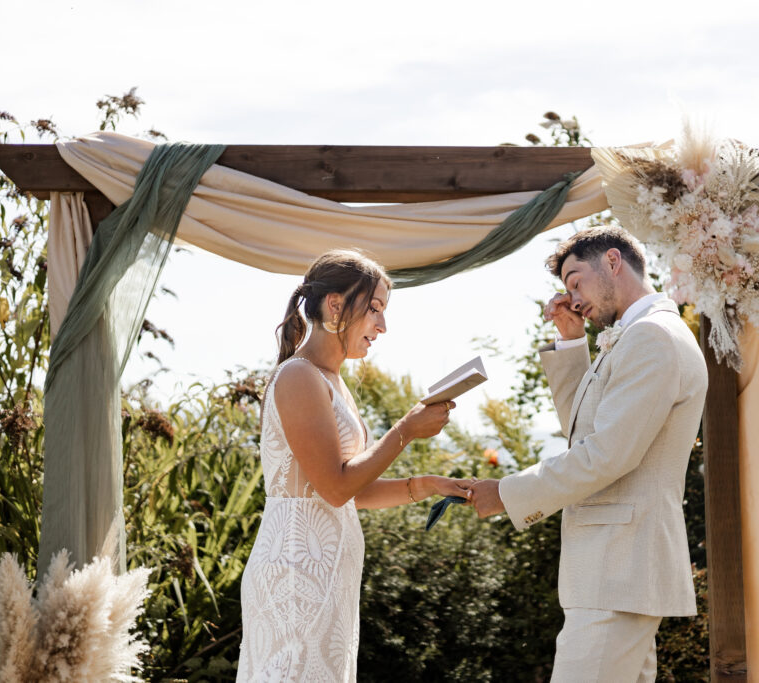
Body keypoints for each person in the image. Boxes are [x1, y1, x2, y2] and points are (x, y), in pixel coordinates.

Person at [467, 227, 708, 682]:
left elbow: (606, 455)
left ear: (613, 262)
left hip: (617, 571)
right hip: (617, 573)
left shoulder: (650, 336)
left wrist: (506, 493)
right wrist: (572, 341)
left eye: (576, 281)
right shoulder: (637, 334)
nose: (572, 298)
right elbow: (586, 432)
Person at [237, 249, 469, 682]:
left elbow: (351, 492)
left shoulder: (332, 382)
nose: (382, 326)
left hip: (327, 575)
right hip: (296, 572)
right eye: (375, 309)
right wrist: (406, 429)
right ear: (336, 306)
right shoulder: (298, 376)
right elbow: (335, 488)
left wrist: (430, 485)